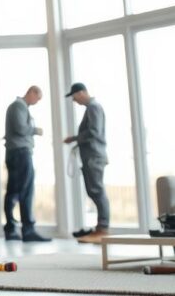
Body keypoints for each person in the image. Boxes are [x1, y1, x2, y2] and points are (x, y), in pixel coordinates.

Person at [3, 85, 51, 242]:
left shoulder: (20, 107)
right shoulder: (18, 106)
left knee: (19, 191)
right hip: (20, 153)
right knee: (21, 191)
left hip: (18, 153)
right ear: (31, 92)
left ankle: (16, 229)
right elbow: (20, 128)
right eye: (37, 98)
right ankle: (23, 230)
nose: (37, 102)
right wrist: (36, 130)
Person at [63, 82, 109, 243]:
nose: (74, 100)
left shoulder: (93, 107)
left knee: (97, 191)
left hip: (94, 156)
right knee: (94, 191)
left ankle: (102, 230)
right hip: (92, 155)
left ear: (81, 93)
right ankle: (100, 229)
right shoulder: (92, 108)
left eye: (74, 96)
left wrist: (75, 138)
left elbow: (94, 132)